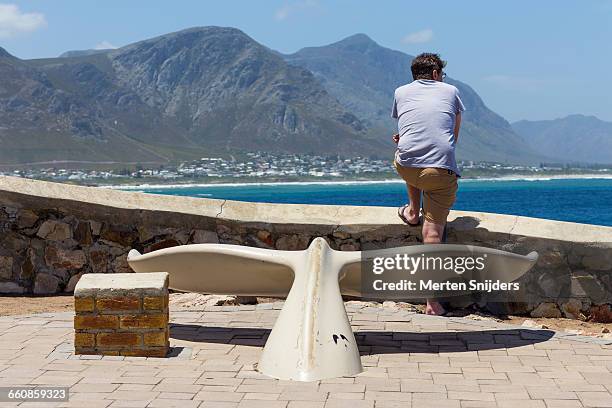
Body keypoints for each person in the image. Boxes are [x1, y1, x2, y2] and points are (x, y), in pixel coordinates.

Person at [391, 53, 465, 316]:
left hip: (407, 167)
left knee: (406, 151)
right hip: (439, 172)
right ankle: (432, 302)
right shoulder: (451, 91)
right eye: (441, 75)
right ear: (435, 74)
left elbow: (408, 128)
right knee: (432, 234)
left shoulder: (400, 92)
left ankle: (412, 210)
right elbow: (451, 137)